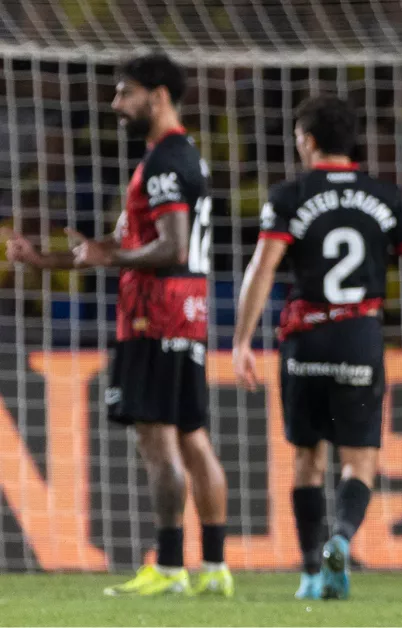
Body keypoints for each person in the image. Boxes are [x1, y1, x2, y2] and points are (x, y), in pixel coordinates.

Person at [6, 53, 233, 597]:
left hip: (154, 314)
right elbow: (120, 246)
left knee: (158, 443)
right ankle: (217, 568)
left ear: (156, 95)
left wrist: (111, 259)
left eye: (124, 93)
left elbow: (170, 246)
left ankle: (172, 567)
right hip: (188, 311)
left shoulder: (163, 162)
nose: (115, 105)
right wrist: (46, 261)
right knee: (193, 438)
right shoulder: (184, 158)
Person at [230, 94, 402, 600]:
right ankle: (342, 536)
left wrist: (242, 340)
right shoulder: (387, 196)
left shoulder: (289, 196)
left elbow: (262, 269)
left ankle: (312, 573)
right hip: (360, 337)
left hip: (306, 338)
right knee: (360, 460)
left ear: (309, 141)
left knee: (307, 460)